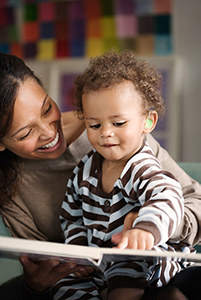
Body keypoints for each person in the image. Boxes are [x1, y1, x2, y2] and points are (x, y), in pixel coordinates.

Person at [0, 51, 200, 300]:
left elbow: (179, 196)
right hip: (89, 272)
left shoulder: (125, 132)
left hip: (147, 263)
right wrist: (38, 281)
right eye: (24, 133)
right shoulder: (74, 172)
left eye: (47, 109)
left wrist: (149, 225)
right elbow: (70, 220)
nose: (49, 133)